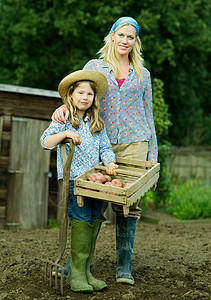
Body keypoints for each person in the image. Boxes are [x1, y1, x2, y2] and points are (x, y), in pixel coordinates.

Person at [51, 16, 158, 285]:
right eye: (120, 35)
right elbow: (78, 96)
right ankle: (77, 264)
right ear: (112, 35)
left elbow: (149, 115)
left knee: (129, 206)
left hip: (135, 143)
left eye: (130, 37)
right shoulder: (95, 67)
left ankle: (124, 266)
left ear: (136, 42)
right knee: (92, 198)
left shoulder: (143, 75)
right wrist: (62, 109)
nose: (125, 40)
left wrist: (152, 155)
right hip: (100, 141)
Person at [40, 69, 118, 293]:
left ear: (94, 99)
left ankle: (85, 271)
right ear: (71, 95)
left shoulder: (96, 122)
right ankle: (75, 274)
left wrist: (110, 163)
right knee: (82, 220)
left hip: (95, 181)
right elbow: (45, 141)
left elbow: (105, 147)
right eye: (80, 93)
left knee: (94, 218)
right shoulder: (65, 120)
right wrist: (65, 135)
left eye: (89, 94)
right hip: (75, 181)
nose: (85, 97)